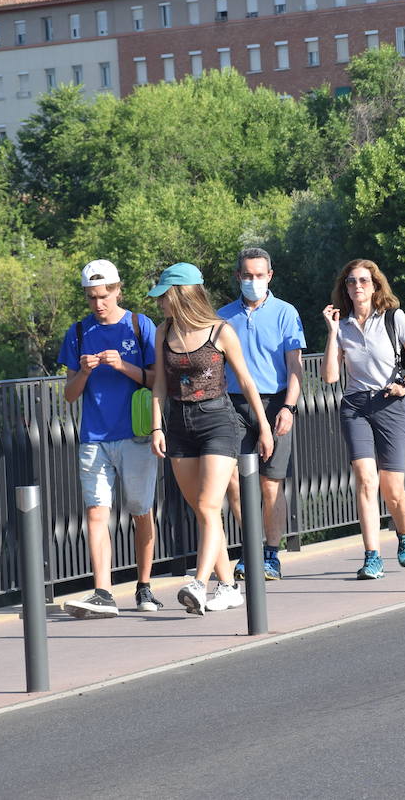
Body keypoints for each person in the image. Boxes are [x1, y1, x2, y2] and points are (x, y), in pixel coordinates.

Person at [148, 263, 273, 614]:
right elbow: (159, 384)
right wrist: (157, 427)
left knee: (207, 505)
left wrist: (263, 427)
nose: (160, 304)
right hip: (179, 426)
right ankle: (230, 586)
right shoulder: (163, 331)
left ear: (181, 295)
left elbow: (247, 382)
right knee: (203, 512)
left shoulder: (221, 331)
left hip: (218, 421)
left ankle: (198, 583)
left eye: (165, 297)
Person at [58, 260, 164, 617]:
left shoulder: (139, 325)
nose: (98, 303)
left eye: (104, 295)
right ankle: (102, 591)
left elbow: (156, 381)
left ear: (119, 290)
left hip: (134, 435)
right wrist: (85, 373)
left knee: (140, 511)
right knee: (95, 512)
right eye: (91, 297)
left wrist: (122, 366)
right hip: (94, 436)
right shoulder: (77, 332)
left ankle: (144, 586)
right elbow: (70, 395)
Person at [321, 259, 405, 580]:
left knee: (392, 488)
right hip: (356, 406)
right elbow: (329, 377)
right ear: (346, 289)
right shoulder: (343, 326)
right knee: (366, 480)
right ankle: (372, 556)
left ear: (375, 285)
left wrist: (404, 385)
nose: (357, 287)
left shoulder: (394, 318)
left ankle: (404, 528)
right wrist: (331, 333)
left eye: (364, 281)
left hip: (391, 403)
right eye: (351, 282)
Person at [219, 248, 305, 582]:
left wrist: (289, 407)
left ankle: (271, 552)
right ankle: (251, 549)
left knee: (271, 485)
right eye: (248, 275)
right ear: (238, 276)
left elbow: (295, 365)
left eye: (260, 275)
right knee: (236, 484)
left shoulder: (286, 312)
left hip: (275, 403)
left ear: (270, 276)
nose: (254, 281)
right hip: (235, 405)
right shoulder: (223, 316)